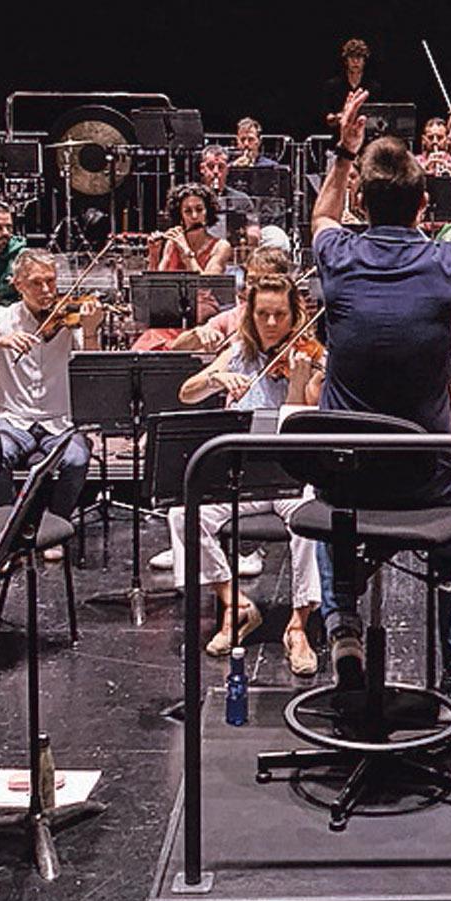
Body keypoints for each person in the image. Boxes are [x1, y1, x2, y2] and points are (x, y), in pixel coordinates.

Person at [309, 86, 451, 738]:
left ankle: (344, 633)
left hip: (347, 479)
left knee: (334, 507)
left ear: (362, 202)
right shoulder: (447, 264)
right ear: (425, 207)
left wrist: (344, 153)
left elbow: (321, 219)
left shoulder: (336, 257)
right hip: (423, 481)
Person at [169, 273, 326, 674]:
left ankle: (298, 625)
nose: (271, 324)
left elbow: (298, 420)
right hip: (243, 474)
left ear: (295, 315)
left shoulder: (310, 356)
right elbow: (185, 392)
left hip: (290, 474)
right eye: (262, 315)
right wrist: (214, 378)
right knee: (182, 512)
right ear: (250, 315)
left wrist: (298, 380)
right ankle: (236, 604)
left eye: (280, 315)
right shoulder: (238, 351)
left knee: (310, 519)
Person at [0, 249, 100, 542]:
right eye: (36, 283)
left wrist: (91, 331)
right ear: (17, 284)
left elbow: (93, 367)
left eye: (51, 282)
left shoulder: (68, 318)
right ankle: (6, 531)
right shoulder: (2, 318)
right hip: (13, 419)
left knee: (78, 459)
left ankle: (55, 526)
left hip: (60, 421)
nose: (46, 291)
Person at [136, 183, 233, 351]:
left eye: (199, 209)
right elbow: (156, 287)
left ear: (207, 212)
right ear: (180, 215)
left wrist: (186, 252)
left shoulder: (220, 246)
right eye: (188, 211)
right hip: (171, 314)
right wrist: (154, 253)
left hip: (201, 314)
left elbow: (206, 284)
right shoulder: (172, 244)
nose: (194, 216)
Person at [198, 144, 259, 239]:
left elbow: (253, 229)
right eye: (210, 166)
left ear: (227, 169)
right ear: (202, 169)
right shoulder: (193, 198)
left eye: (221, 167)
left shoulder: (241, 200)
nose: (215, 172)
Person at [322, 37, 376, 129]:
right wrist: (340, 117)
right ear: (346, 60)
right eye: (352, 57)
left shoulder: (373, 87)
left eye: (359, 57)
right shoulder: (332, 86)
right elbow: (328, 118)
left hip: (366, 138)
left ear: (364, 60)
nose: (355, 61)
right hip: (340, 137)